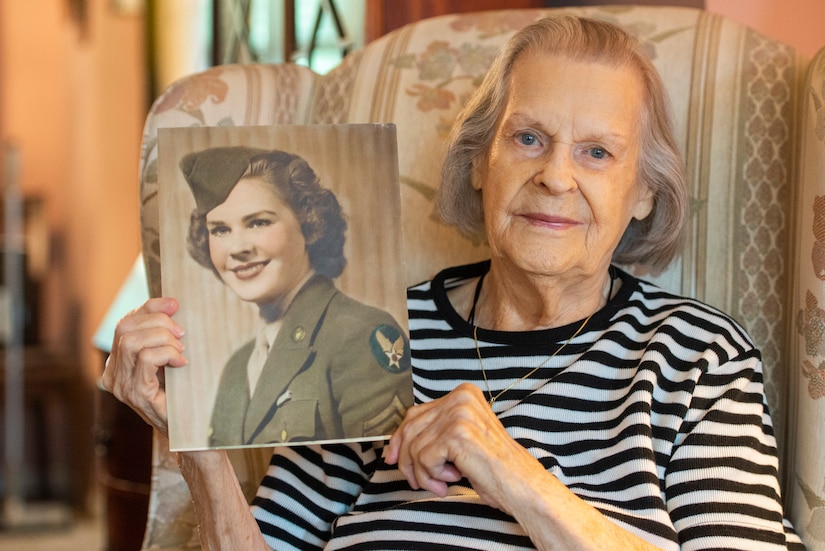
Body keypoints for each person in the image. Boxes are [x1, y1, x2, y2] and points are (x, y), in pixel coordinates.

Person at [103, 15, 804, 550]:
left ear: (644, 192)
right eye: (527, 137)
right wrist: (195, 440)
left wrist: (506, 468)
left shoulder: (696, 357)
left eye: (596, 152)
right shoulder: (371, 328)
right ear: (478, 161)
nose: (555, 177)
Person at [177, 146, 411, 447]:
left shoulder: (360, 337)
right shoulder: (237, 369)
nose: (237, 248)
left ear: (308, 222)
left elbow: (386, 477)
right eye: (220, 230)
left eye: (258, 222)